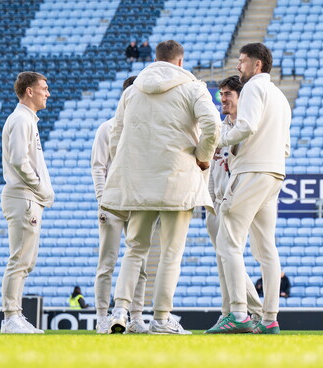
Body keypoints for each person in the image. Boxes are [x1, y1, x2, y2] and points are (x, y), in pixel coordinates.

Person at [102, 40, 221, 335]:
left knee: (134, 249)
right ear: (180, 62)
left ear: (155, 60)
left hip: (139, 182)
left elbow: (116, 134)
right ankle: (161, 319)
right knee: (171, 252)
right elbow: (213, 125)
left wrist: (125, 169)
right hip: (177, 181)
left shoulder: (132, 91)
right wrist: (203, 157)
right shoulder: (194, 88)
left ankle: (119, 312)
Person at [210, 43, 291, 335]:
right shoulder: (280, 97)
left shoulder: (255, 88)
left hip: (252, 171)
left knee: (227, 242)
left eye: (242, 62)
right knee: (266, 250)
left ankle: (239, 314)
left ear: (257, 65)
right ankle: (270, 319)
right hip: (274, 174)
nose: (238, 66)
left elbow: (246, 126)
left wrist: (216, 143)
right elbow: (285, 146)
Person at [91, 75, 151, 334]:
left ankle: (136, 316)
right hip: (113, 204)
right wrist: (103, 199)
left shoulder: (146, 130)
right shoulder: (108, 127)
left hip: (139, 203)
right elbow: (98, 166)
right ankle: (102, 316)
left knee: (141, 263)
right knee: (107, 262)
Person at [205, 75, 264, 324]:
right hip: (214, 202)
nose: (223, 99)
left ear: (242, 97)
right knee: (224, 260)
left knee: (230, 256)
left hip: (234, 199)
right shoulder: (220, 128)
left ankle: (252, 312)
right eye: (221, 94)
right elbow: (210, 169)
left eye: (228, 94)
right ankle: (229, 312)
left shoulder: (244, 128)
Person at [0, 71, 54, 334]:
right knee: (20, 259)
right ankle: (11, 317)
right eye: (44, 88)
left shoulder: (26, 119)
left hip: (26, 197)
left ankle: (15, 316)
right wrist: (39, 186)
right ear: (29, 91)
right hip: (23, 196)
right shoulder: (22, 119)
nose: (48, 93)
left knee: (25, 260)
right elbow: (20, 160)